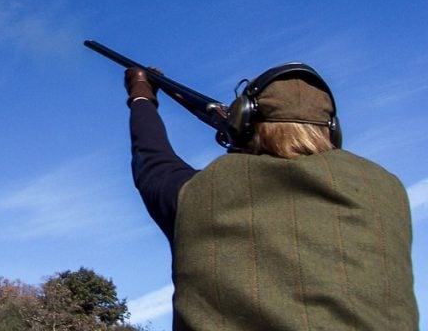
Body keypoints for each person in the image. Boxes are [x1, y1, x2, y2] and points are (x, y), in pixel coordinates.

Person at [124, 63, 418, 330]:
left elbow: (152, 161)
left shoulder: (204, 194)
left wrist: (141, 96)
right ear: (332, 129)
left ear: (244, 118)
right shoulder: (387, 190)